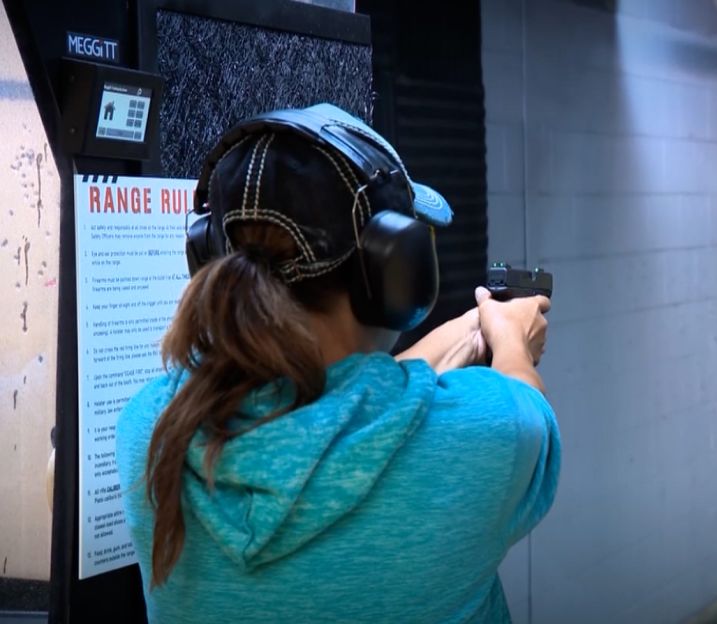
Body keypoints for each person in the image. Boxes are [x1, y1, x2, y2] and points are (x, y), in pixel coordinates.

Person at [115, 104, 560, 623]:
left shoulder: (153, 430)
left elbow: (334, 407)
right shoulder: (489, 437)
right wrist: (511, 342)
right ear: (394, 274)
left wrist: (471, 327)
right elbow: (529, 410)